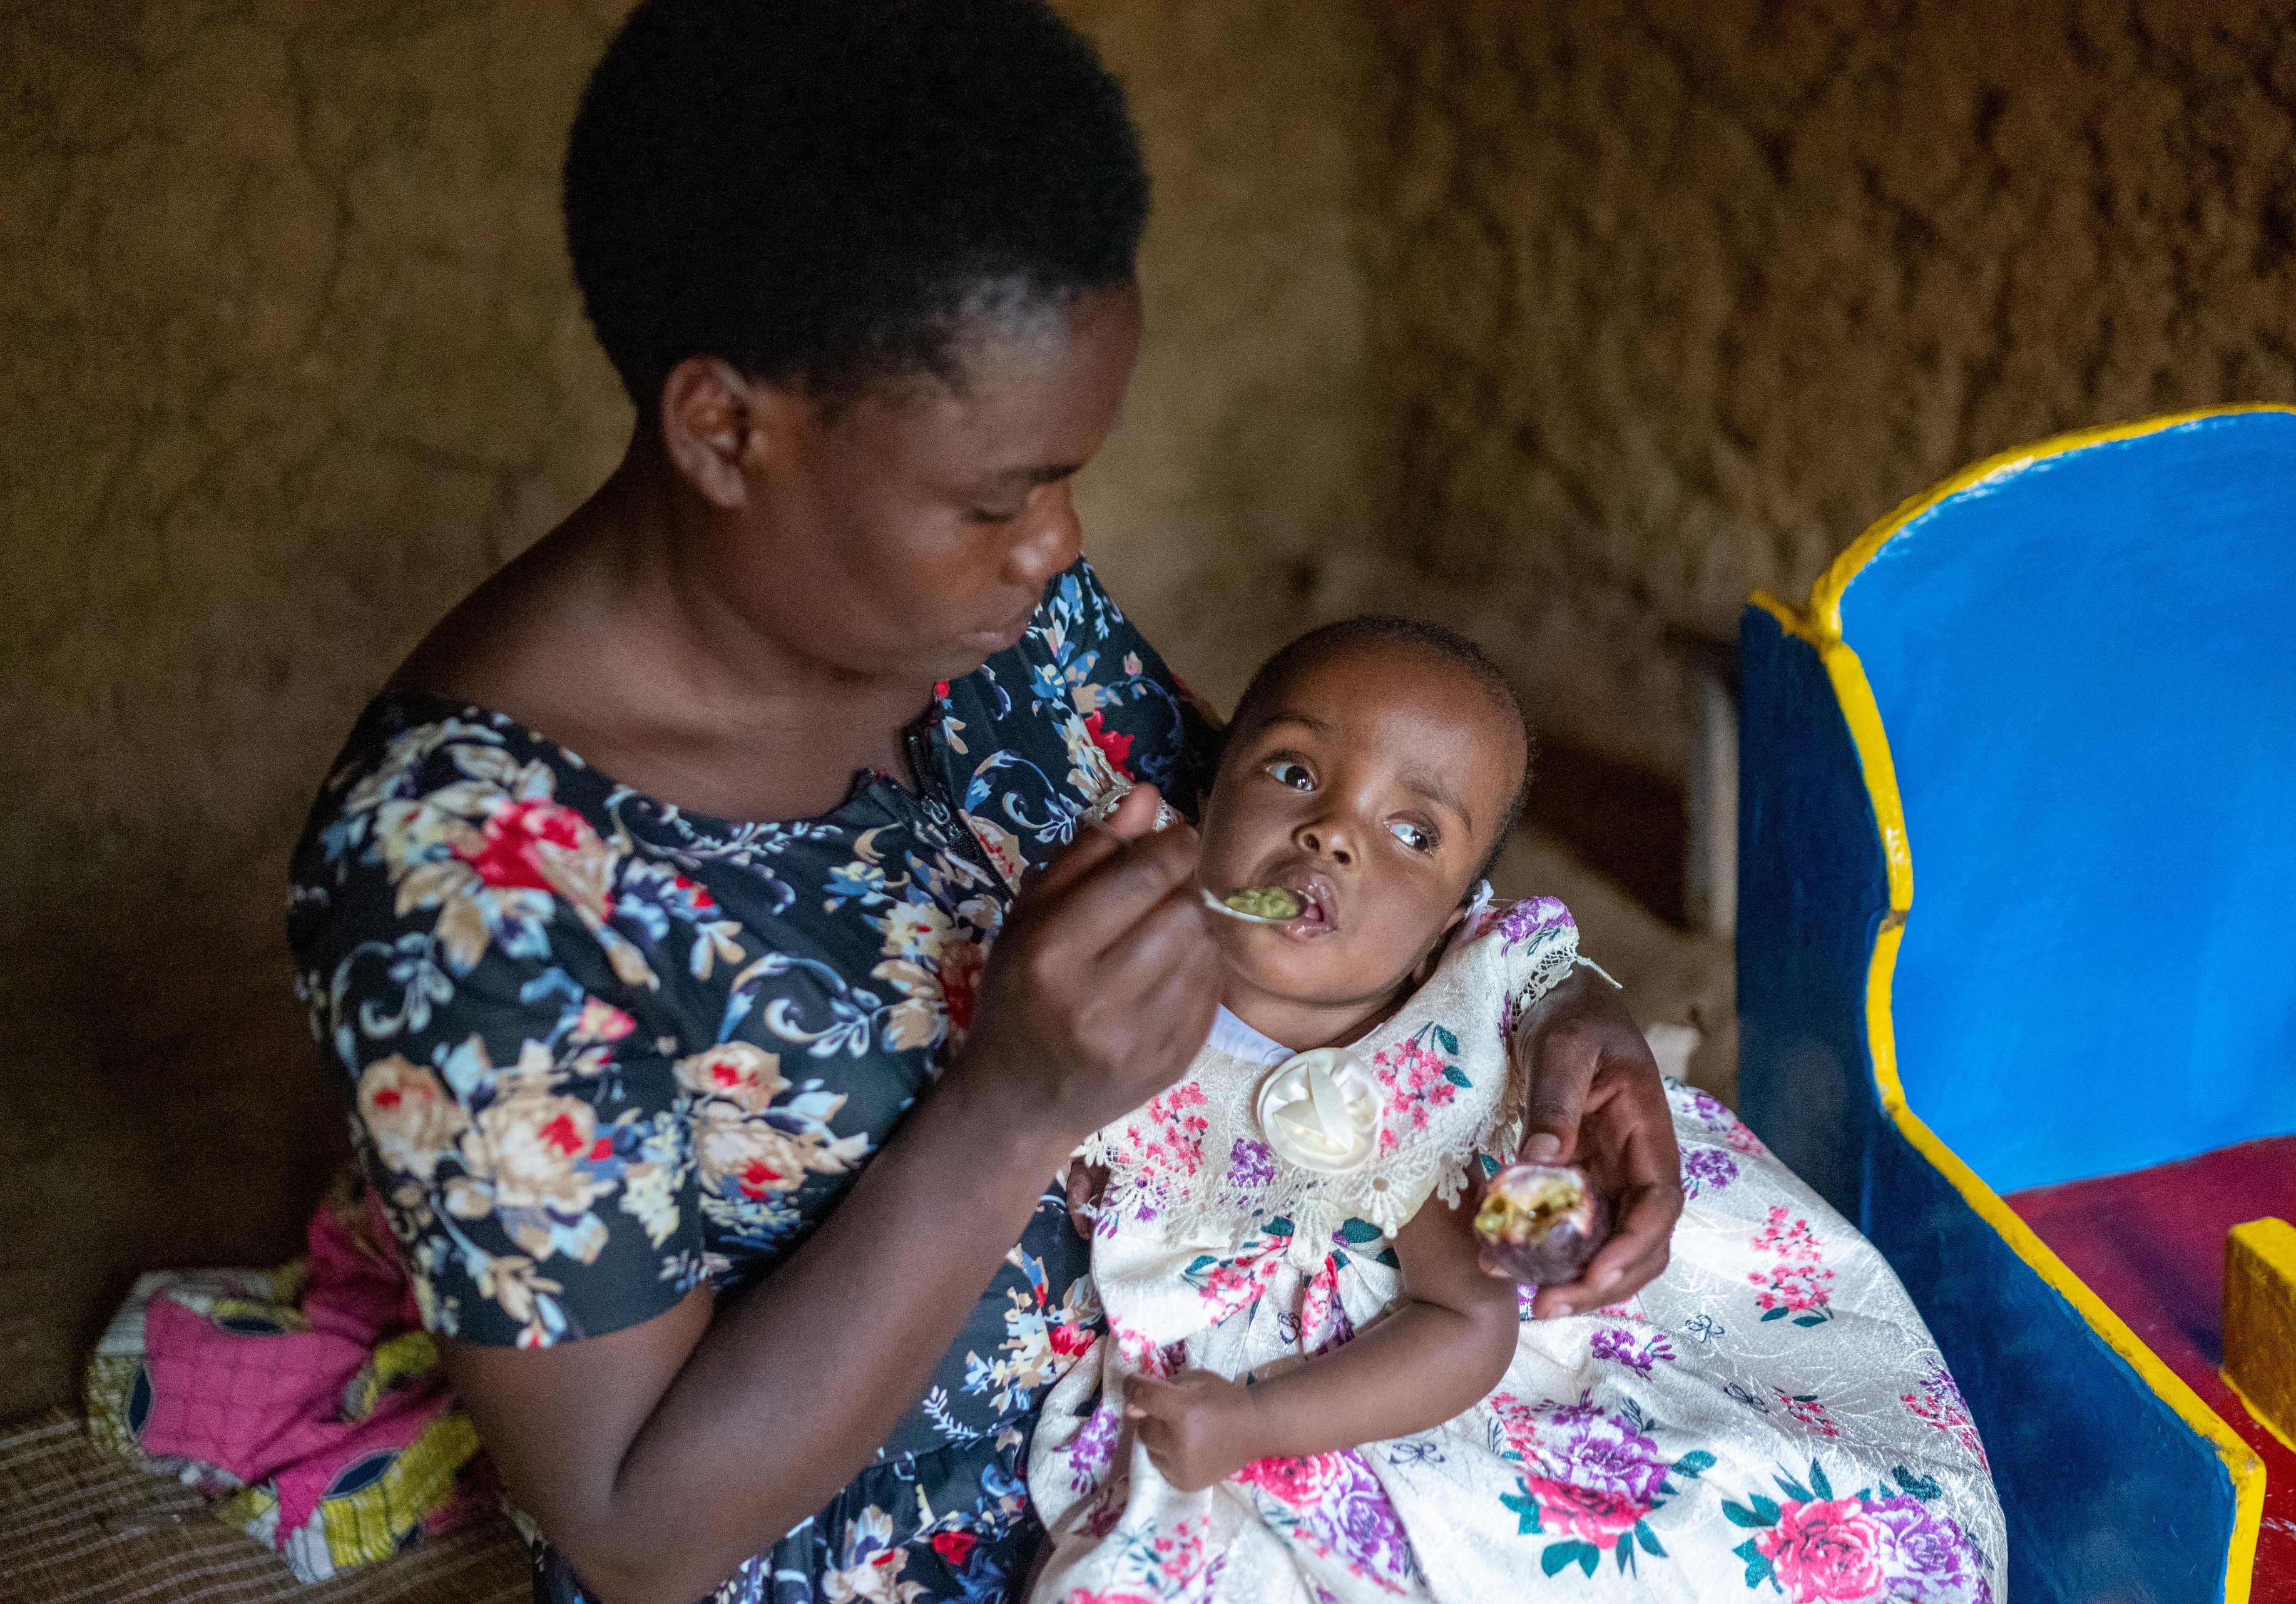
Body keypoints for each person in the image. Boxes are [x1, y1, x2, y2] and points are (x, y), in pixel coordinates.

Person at [285, 5, 1682, 1602]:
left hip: (1292, 1343)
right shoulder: (466, 880)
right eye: (1002, 491)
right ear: (726, 429)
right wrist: (1013, 1106)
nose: (1055, 543)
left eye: (1068, 475)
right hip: (964, 1531)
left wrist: (1567, 1001)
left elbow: (1339, 844)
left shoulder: (978, 608)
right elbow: (632, 1529)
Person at [1026, 618, 2004, 1603]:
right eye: (1290, 772)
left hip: (1322, 1399)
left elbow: (1466, 1323)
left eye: (1413, 834)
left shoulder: (1406, 1072)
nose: (1334, 832)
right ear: (1203, 796)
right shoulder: (1108, 956)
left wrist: (1254, 1424)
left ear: (1448, 922)